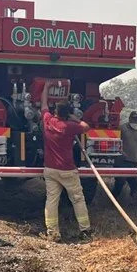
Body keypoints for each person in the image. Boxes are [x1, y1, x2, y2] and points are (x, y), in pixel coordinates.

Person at [41, 85, 91, 242]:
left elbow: (43, 105)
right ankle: (85, 231)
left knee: (51, 200)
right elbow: (86, 127)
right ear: (67, 113)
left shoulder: (48, 121)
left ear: (55, 112)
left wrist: (46, 87)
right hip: (67, 170)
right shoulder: (69, 127)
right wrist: (73, 117)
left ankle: (53, 233)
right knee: (77, 199)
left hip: (50, 169)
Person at [114, 111, 137, 199]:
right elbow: (115, 142)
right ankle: (112, 202)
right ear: (130, 118)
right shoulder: (121, 128)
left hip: (133, 163)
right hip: (122, 162)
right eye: (134, 118)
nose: (136, 121)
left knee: (135, 187)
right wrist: (121, 152)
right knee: (120, 183)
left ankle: (133, 207)